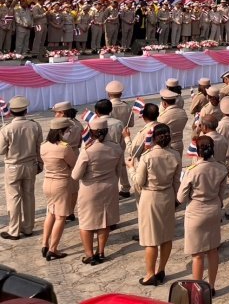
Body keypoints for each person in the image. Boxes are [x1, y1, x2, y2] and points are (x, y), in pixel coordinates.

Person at [131, 123, 182, 285]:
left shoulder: (147, 157)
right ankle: (161, 270)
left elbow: (139, 182)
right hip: (167, 196)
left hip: (151, 197)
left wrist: (131, 169)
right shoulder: (175, 155)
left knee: (151, 239)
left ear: (153, 139)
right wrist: (177, 200)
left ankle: (150, 274)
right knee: (166, 237)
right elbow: (177, 181)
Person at [177, 135, 228, 295]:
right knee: (212, 251)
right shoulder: (221, 168)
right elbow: (222, 194)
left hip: (196, 212)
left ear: (197, 151)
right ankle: (211, 286)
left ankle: (197, 290)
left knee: (198, 255)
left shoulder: (192, 171)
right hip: (213, 209)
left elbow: (181, 197)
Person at [72, 117, 125, 265]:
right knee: (105, 221)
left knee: (86, 223)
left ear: (92, 132)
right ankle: (101, 251)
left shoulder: (88, 150)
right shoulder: (116, 147)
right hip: (109, 187)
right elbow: (119, 170)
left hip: (90, 189)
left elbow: (75, 175)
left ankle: (89, 254)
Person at [0, 96, 43, 240]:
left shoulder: (7, 129)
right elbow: (39, 147)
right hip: (30, 165)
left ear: (11, 112)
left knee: (14, 198)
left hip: (13, 166)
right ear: (26, 110)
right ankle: (28, 228)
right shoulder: (35, 125)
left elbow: (1, 150)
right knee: (29, 196)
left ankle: (14, 230)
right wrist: (40, 163)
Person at [40, 117, 77, 260]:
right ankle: (53, 249)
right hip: (60, 183)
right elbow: (74, 164)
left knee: (50, 213)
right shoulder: (64, 147)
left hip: (47, 182)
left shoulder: (44, 145)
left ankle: (45, 244)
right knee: (60, 217)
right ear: (63, 131)